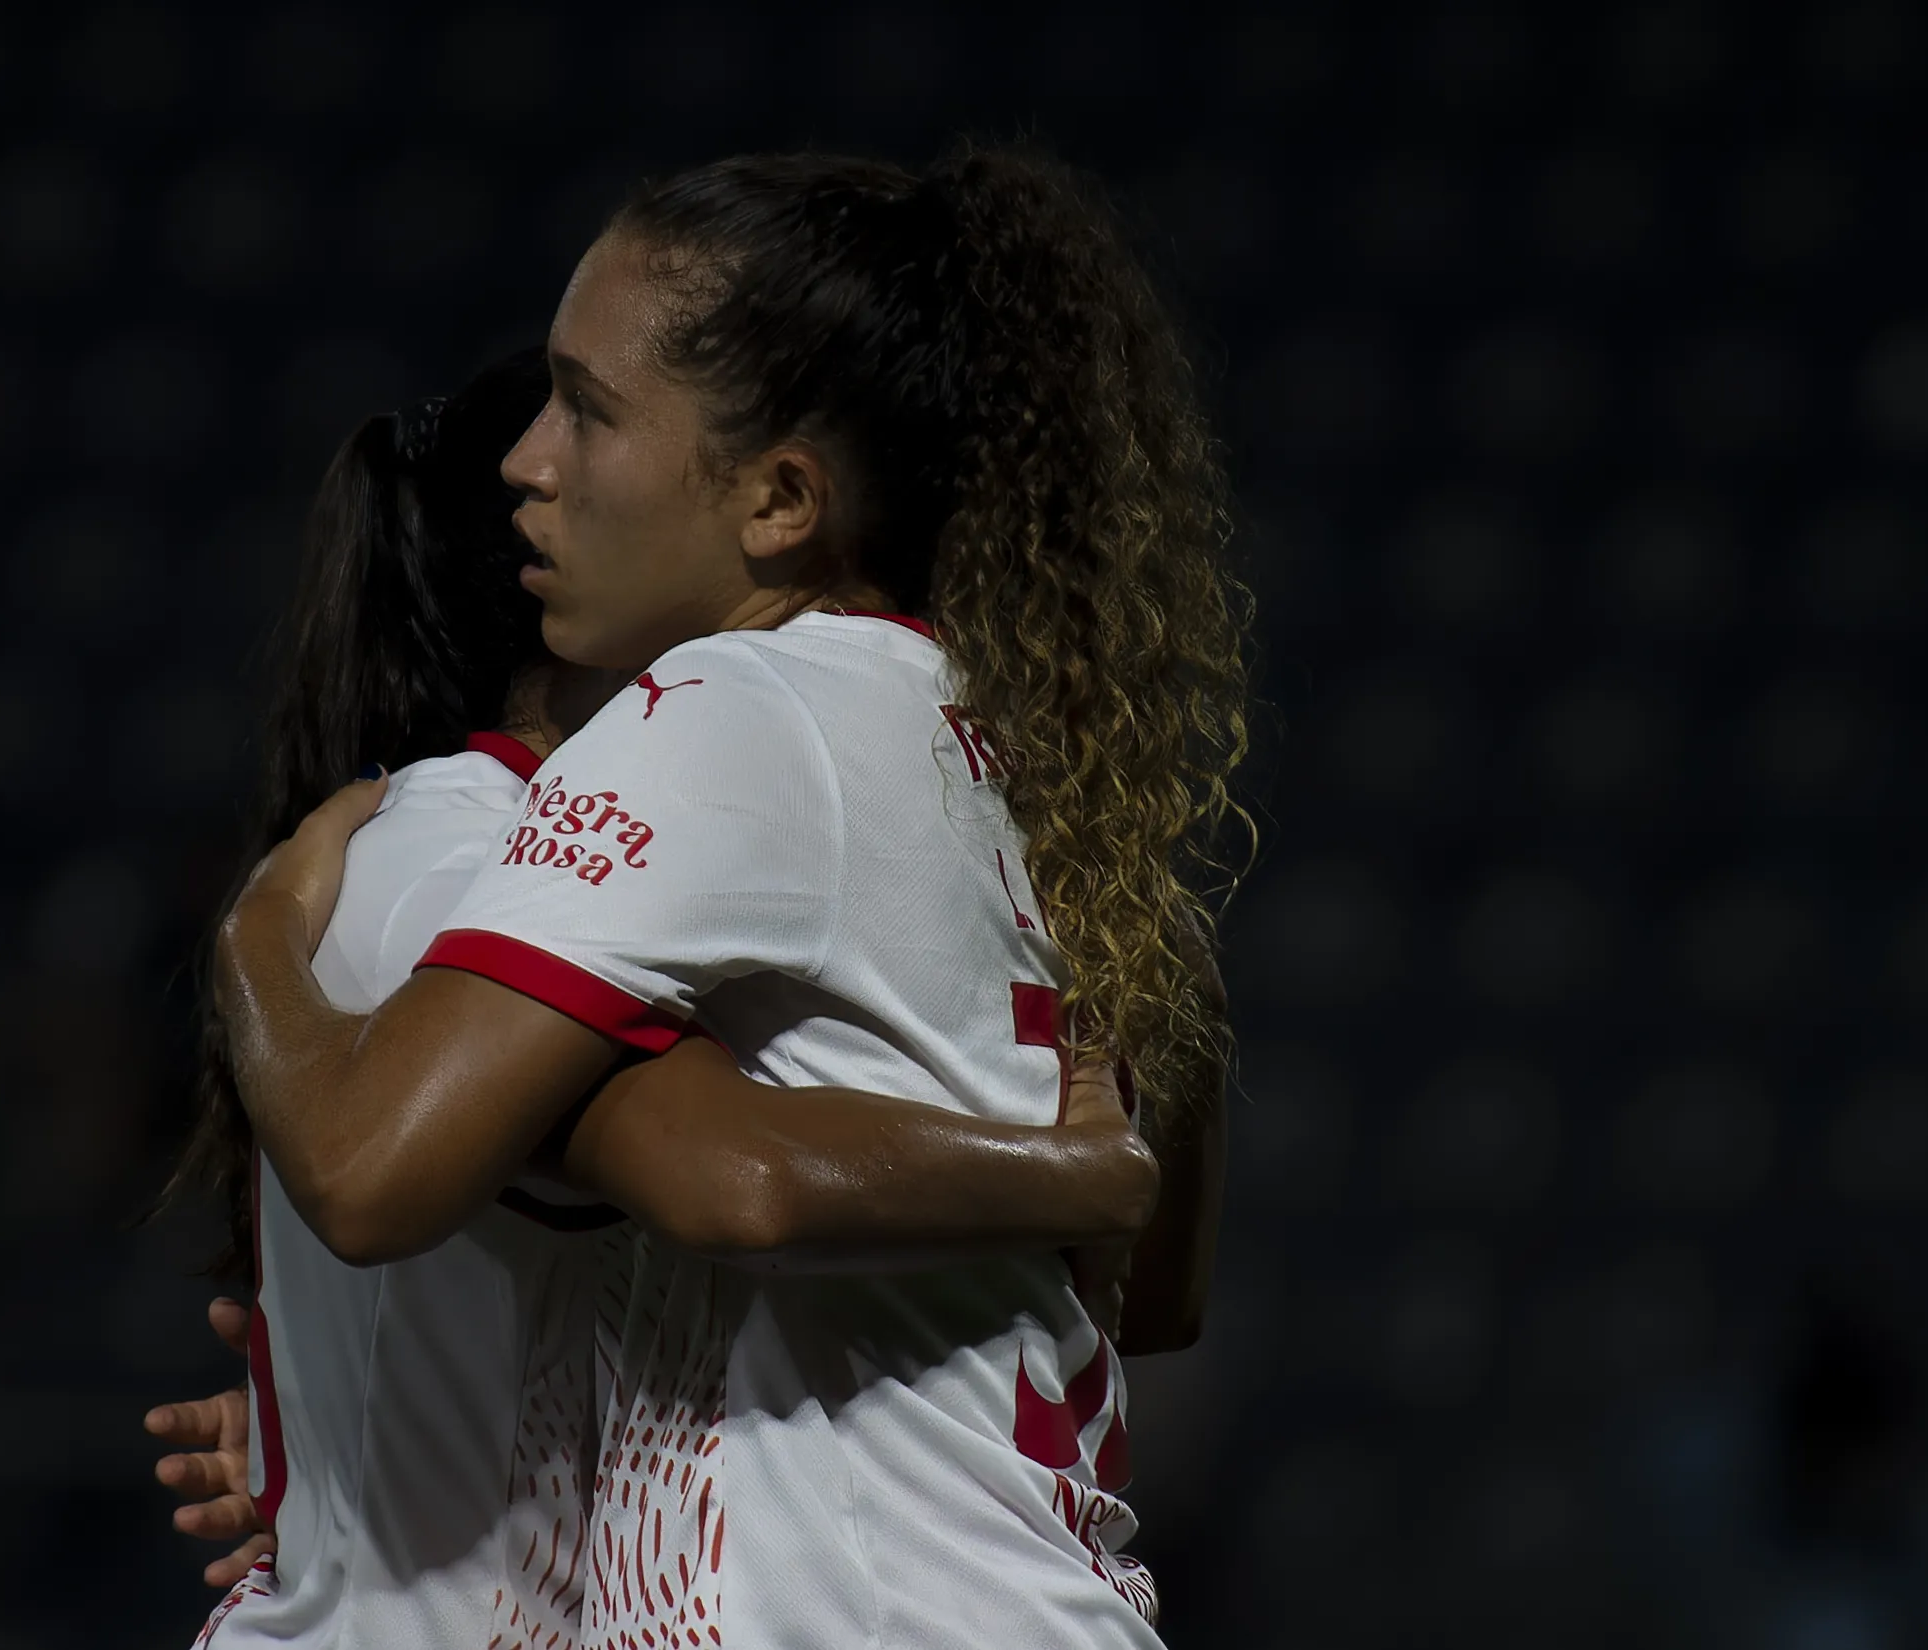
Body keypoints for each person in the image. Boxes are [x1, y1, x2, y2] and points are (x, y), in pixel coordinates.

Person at [219, 141, 1246, 1649]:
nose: (527, 457)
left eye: (589, 406)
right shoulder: (1048, 757)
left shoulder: (729, 705)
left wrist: (252, 940)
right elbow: (1145, 1302)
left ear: (777, 499)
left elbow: (373, 1163)